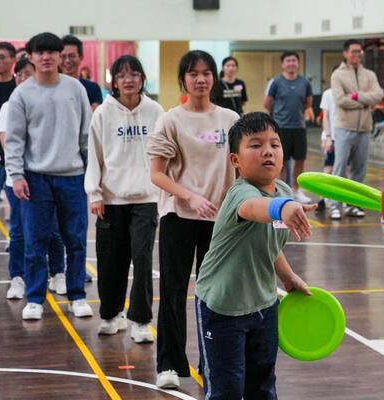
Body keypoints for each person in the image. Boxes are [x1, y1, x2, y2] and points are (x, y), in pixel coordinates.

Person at [195, 111, 313, 399]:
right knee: (227, 391)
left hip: (263, 305)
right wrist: (281, 209)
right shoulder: (240, 193)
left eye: (274, 144)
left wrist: (289, 276)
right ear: (235, 160)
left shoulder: (283, 190)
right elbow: (253, 208)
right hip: (222, 307)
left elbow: (268, 244)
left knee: (262, 386)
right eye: (256, 145)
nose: (268, 151)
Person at [147, 50, 239, 389]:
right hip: (179, 217)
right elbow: (157, 174)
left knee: (215, 294)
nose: (200, 79)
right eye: (193, 73)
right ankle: (169, 365)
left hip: (220, 221)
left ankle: (211, 363)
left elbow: (243, 167)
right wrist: (190, 196)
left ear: (214, 78)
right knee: (173, 290)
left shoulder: (230, 119)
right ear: (183, 79)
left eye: (206, 72)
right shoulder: (170, 120)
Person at [5, 32, 92, 320]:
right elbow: (15, 140)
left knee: (76, 240)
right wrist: (16, 176)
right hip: (36, 178)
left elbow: (85, 135)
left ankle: (77, 294)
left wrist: (92, 174)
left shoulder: (75, 88)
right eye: (40, 52)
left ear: (59, 56)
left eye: (52, 52)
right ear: (30, 56)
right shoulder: (22, 94)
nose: (46, 57)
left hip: (73, 176)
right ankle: (35, 298)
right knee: (35, 241)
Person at [85, 55, 164, 342]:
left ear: (142, 79)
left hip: (146, 198)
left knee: (142, 259)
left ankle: (141, 321)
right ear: (114, 82)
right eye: (122, 75)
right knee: (110, 261)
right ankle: (110, 314)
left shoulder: (156, 112)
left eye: (134, 74)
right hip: (110, 199)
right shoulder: (103, 114)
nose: (128, 79)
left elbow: (166, 153)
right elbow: (94, 155)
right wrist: (94, 193)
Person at [330, 39, 384, 220]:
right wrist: (365, 101)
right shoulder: (337, 75)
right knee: (340, 169)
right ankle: (335, 206)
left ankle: (353, 205)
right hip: (344, 127)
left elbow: (378, 95)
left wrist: (356, 96)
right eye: (353, 51)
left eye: (359, 52)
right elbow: (340, 100)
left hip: (365, 129)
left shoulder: (369, 74)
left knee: (359, 170)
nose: (357, 55)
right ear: (345, 53)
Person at [263, 51, 313, 203]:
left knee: (300, 159)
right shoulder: (276, 82)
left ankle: (297, 190)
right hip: (281, 128)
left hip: (299, 127)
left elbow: (309, 103)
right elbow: (266, 103)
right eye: (288, 60)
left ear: (298, 63)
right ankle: (282, 191)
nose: (291, 63)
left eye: (294, 60)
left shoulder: (305, 82)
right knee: (281, 161)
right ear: (283, 64)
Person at [0, 42, 16, 262]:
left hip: (15, 161)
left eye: (1, 57)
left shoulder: (20, 90)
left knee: (17, 208)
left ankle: (15, 243)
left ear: (12, 60)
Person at [316, 64, 340, 211]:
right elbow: (326, 118)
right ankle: (322, 199)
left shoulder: (351, 93)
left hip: (347, 138)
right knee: (329, 168)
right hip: (332, 137)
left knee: (346, 171)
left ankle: (339, 200)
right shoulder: (328, 94)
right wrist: (327, 137)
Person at [61, 35, 103, 111]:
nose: (67, 61)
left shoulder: (93, 88)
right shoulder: (52, 87)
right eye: (63, 56)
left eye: (72, 56)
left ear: (81, 57)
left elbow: (94, 116)